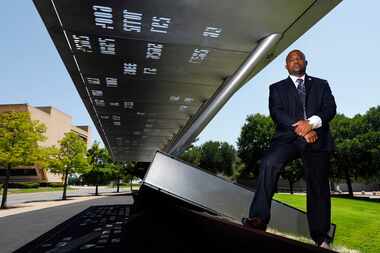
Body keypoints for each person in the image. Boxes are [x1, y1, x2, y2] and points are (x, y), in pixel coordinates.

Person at [243, 49, 336, 249]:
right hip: (288, 139)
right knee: (269, 162)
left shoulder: (321, 84)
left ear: (306, 62)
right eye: (291, 59)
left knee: (318, 183)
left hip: (316, 138)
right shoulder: (276, 88)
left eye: (299, 58)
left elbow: (330, 109)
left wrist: (311, 124)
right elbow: (277, 113)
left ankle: (321, 237)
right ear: (286, 65)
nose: (296, 61)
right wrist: (302, 129)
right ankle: (258, 219)